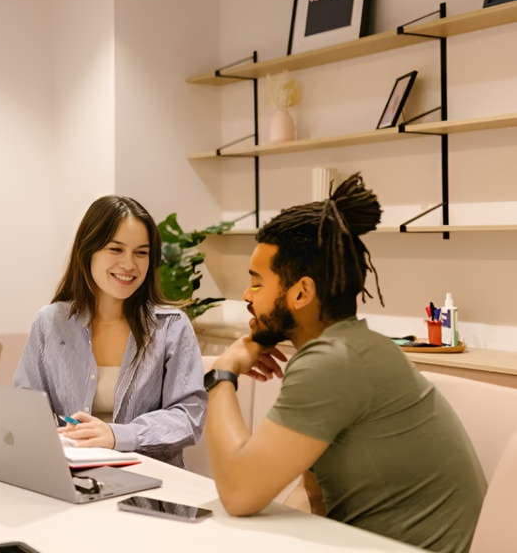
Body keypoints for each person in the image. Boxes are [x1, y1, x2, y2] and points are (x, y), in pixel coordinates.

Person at [204, 173, 486, 553]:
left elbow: (239, 493)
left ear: (301, 292)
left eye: (257, 283)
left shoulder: (332, 361)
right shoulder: (352, 347)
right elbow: (314, 498)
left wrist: (222, 374)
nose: (246, 295)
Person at [14, 195, 207, 467]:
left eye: (141, 252)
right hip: (69, 476)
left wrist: (117, 435)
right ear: (88, 251)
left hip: (147, 483)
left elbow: (188, 417)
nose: (129, 264)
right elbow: (26, 405)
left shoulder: (172, 327)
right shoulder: (50, 322)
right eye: (116, 250)